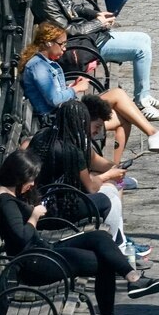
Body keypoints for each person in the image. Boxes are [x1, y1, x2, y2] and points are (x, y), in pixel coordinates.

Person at [0, 149, 159, 315]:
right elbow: (21, 236)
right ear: (16, 176)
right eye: (29, 179)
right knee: (104, 262)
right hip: (36, 264)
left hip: (43, 251)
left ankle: (133, 277)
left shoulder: (1, 192)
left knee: (98, 237)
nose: (32, 184)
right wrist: (34, 215)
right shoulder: (5, 201)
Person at [31, 0, 159, 121]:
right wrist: (99, 24)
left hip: (85, 39)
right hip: (78, 47)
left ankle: (144, 95)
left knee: (144, 38)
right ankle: (142, 102)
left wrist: (96, 14)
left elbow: (74, 9)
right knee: (140, 49)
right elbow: (68, 30)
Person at [18, 23, 159, 157]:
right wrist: (76, 88)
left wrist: (68, 87)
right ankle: (154, 135)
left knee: (123, 119)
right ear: (48, 43)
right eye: (61, 44)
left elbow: (52, 93)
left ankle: (114, 172)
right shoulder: (39, 66)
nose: (64, 48)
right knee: (117, 94)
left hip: (67, 112)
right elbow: (54, 100)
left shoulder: (43, 62)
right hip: (61, 120)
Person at [29, 97, 134, 251]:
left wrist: (113, 170)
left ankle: (120, 242)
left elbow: (93, 162)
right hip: (57, 211)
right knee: (109, 198)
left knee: (110, 190)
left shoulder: (42, 136)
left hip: (40, 201)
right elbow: (91, 188)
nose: (98, 131)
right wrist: (108, 176)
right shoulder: (72, 150)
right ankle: (116, 248)